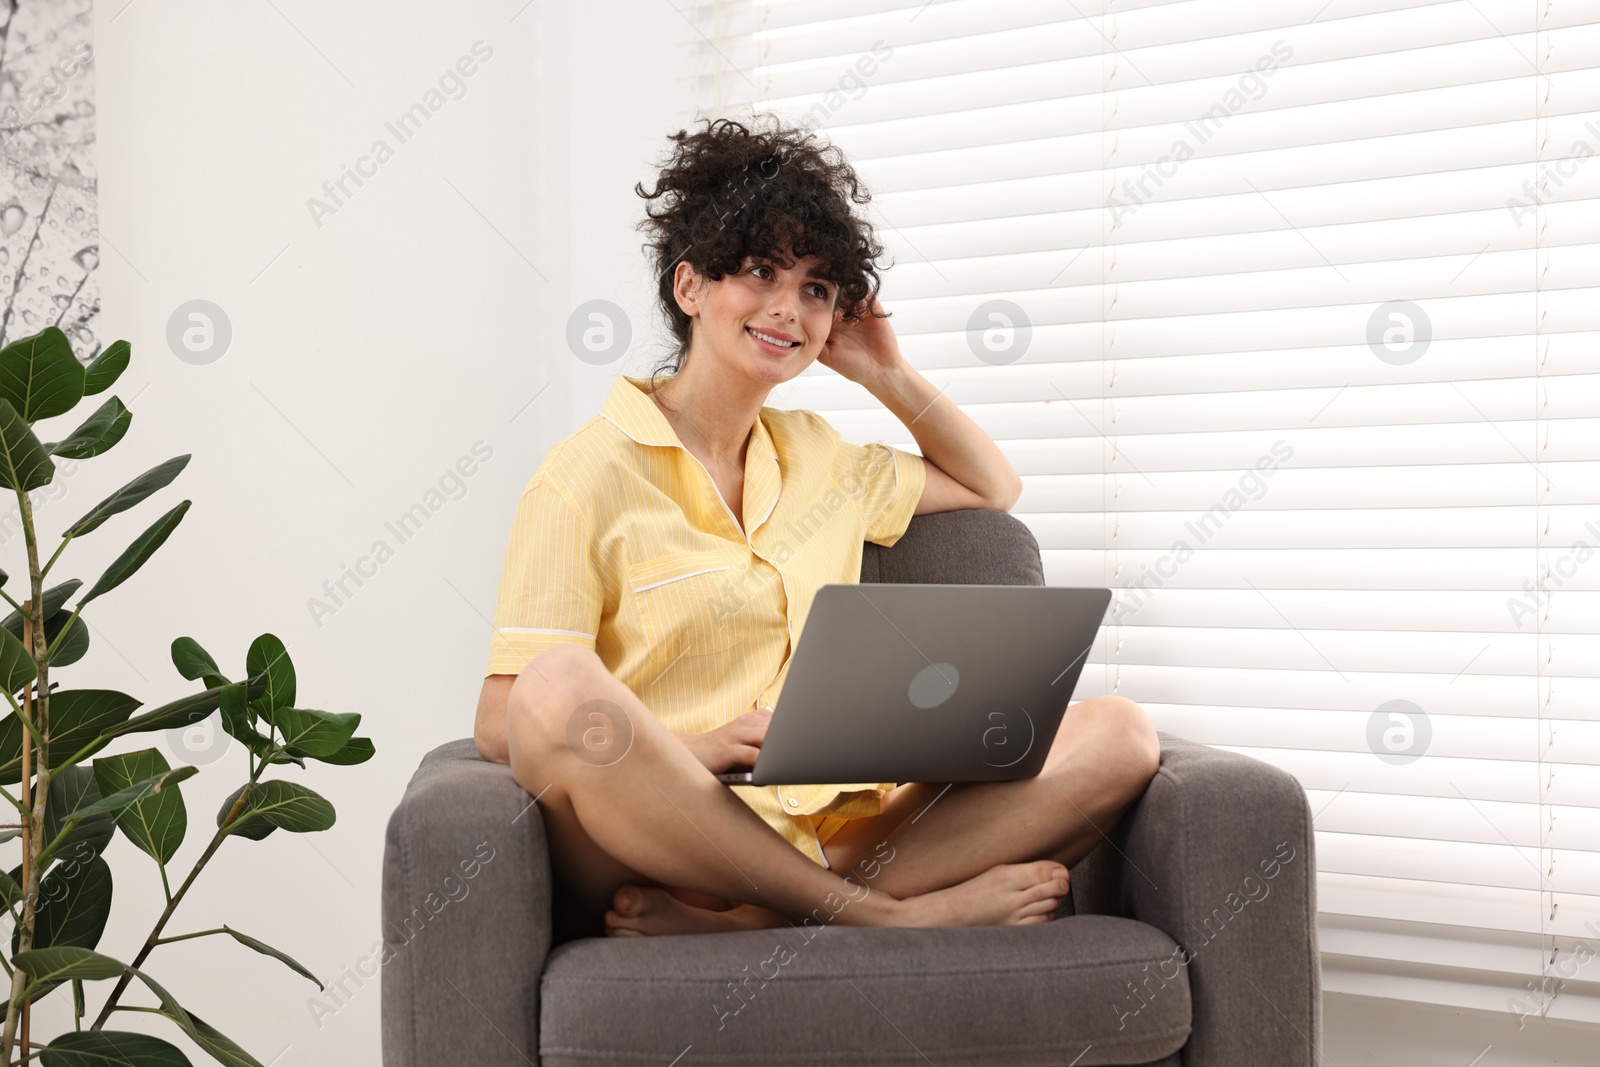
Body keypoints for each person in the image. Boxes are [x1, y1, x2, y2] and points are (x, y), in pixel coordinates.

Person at [474, 115, 1160, 937]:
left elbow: (993, 484)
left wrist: (886, 371)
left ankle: (758, 917)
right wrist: (696, 745)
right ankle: (878, 918)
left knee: (1120, 732)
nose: (787, 308)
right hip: (661, 838)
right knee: (555, 685)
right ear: (689, 287)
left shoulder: (821, 458)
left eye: (815, 288)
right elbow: (504, 719)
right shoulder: (581, 478)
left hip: (834, 834)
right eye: (760, 271)